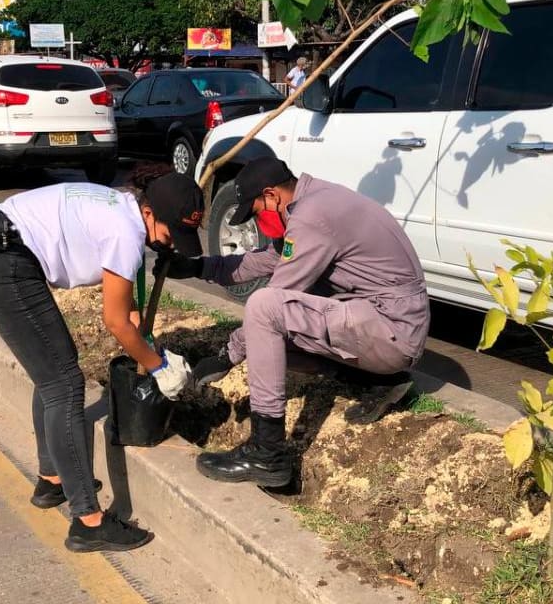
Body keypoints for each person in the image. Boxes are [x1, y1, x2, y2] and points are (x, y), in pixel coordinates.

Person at [0, 167, 200, 553]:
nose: (170, 243)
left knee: (53, 372)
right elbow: (115, 322)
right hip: (2, 263)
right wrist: (159, 367)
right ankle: (88, 522)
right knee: (64, 384)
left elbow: (126, 307)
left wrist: (143, 337)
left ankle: (52, 480)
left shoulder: (121, 207)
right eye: (170, 232)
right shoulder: (126, 232)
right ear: (149, 212)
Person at [164, 157, 429, 488]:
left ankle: (267, 453)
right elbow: (265, 261)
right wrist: (200, 267)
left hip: (391, 331)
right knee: (271, 341)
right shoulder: (312, 201)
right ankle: (375, 381)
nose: (259, 222)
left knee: (264, 307)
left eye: (256, 212)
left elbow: (278, 296)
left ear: (271, 195)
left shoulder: (312, 217)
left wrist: (226, 355)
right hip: (384, 325)